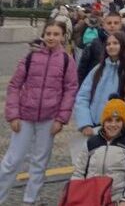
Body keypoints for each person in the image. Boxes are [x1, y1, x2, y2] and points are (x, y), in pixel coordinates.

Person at [0, 21, 78, 204]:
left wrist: (61, 118)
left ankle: (30, 200)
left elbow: (70, 90)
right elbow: (14, 86)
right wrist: (13, 114)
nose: (51, 37)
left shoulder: (67, 60)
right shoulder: (30, 58)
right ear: (43, 35)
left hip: (49, 119)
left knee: (39, 162)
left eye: (56, 34)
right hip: (25, 116)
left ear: (62, 36)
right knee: (12, 160)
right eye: (48, 33)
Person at [69, 98, 125, 206]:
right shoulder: (91, 143)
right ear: (103, 122)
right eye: (109, 120)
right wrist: (75, 196)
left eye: (118, 120)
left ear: (124, 123)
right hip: (90, 198)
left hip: (116, 200)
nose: (113, 125)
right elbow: (78, 173)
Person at [74, 31, 125, 135]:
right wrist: (85, 123)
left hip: (118, 128)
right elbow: (83, 96)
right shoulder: (98, 70)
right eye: (108, 44)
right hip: (94, 126)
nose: (111, 46)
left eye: (115, 43)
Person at [77, 10, 123, 82]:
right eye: (109, 23)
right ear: (104, 25)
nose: (112, 25)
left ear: (121, 25)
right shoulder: (94, 44)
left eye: (116, 23)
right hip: (95, 83)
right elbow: (82, 69)